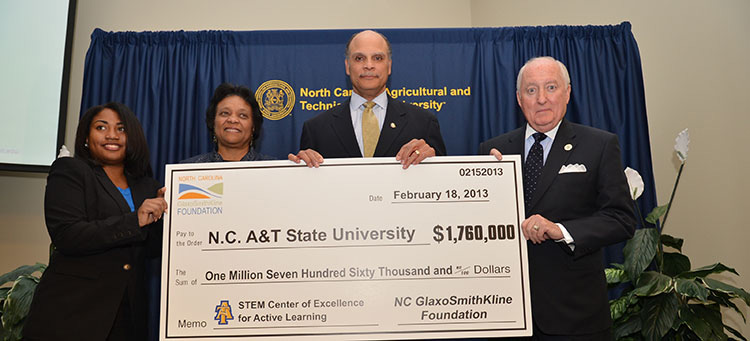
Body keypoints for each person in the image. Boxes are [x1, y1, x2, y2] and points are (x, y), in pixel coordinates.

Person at [479, 56, 635, 339]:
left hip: (575, 318)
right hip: (508, 314)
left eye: (551, 87)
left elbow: (621, 218)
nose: (541, 99)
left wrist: (560, 231)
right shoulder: (493, 151)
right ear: (518, 98)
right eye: (531, 90)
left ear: (567, 93)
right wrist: (487, 189)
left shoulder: (599, 145)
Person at [24, 102, 168, 340]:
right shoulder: (70, 171)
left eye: (121, 129)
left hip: (127, 316)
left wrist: (166, 219)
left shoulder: (147, 185)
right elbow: (68, 235)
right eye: (101, 127)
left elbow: (150, 250)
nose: (112, 135)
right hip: (73, 311)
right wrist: (136, 220)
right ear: (86, 138)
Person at [289, 30, 446, 168]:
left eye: (378, 58)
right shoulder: (316, 129)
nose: (369, 65)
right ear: (347, 66)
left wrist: (432, 160)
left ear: (389, 66)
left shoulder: (423, 122)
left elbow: (443, 183)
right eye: (359, 58)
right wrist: (299, 168)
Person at [182, 83, 274, 163]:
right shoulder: (188, 171)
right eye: (225, 113)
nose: (232, 120)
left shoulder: (274, 170)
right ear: (213, 122)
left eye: (242, 115)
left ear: (253, 126)